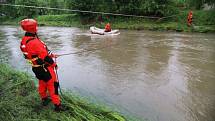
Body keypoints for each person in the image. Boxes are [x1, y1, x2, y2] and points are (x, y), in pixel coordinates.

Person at [20, 19, 62, 112]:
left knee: (42, 83)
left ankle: (44, 99)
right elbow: (45, 57)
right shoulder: (35, 42)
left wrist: (52, 55)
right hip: (45, 68)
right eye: (36, 26)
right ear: (33, 28)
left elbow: (39, 52)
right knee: (53, 86)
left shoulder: (24, 40)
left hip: (36, 68)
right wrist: (54, 64)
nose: (37, 28)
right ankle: (58, 106)